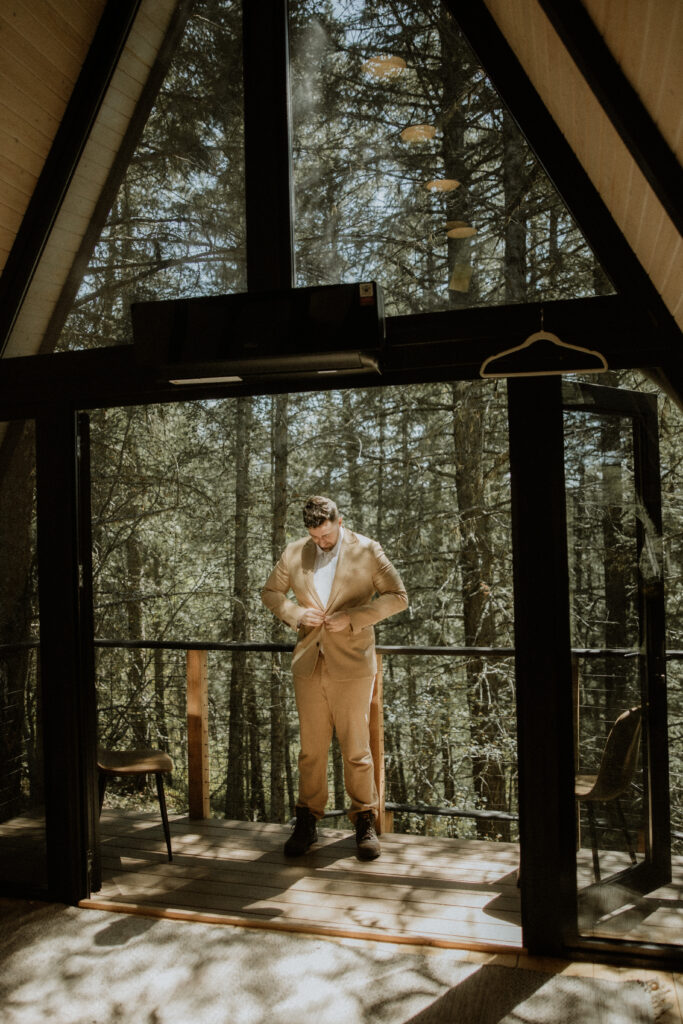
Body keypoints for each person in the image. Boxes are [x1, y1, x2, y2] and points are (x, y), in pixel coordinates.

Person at [261, 495, 408, 861]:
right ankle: (307, 821)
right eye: (315, 537)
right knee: (310, 750)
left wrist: (356, 617)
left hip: (354, 665)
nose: (321, 543)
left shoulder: (369, 550)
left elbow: (398, 596)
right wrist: (295, 614)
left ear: (339, 523)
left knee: (357, 749)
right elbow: (270, 593)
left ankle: (364, 821)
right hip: (309, 664)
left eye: (326, 536)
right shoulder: (294, 552)